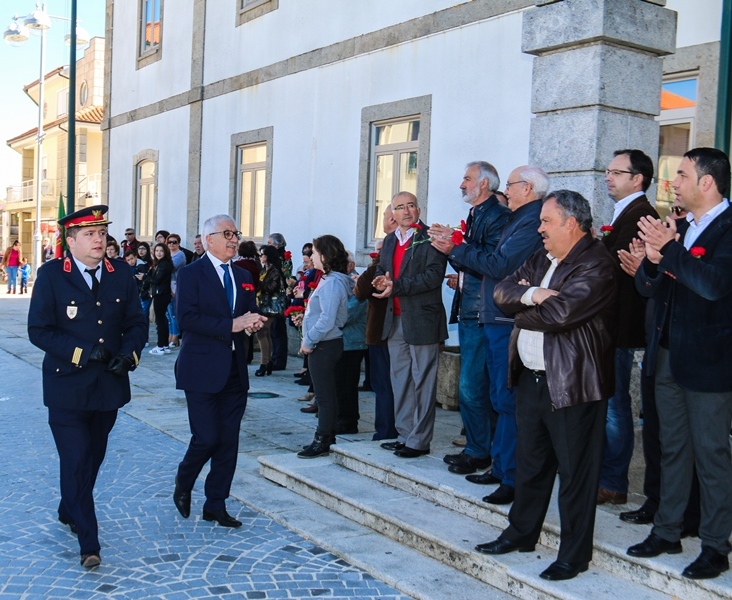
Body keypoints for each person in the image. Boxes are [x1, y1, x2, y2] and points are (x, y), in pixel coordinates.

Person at [477, 190, 617, 582]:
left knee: (576, 474)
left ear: (571, 224)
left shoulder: (596, 264)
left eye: (546, 221)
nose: (539, 229)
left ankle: (574, 555)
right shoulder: (543, 257)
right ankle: (521, 533)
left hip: (573, 386)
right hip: (531, 378)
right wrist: (533, 294)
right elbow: (501, 292)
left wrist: (524, 307)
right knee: (531, 466)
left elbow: (558, 315)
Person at [627, 147, 732, 581]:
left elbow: (712, 285)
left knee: (711, 455)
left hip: (709, 363)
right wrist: (651, 262)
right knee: (671, 448)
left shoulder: (728, 229)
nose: (674, 184)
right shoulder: (682, 227)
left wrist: (668, 250)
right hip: (666, 353)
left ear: (707, 182)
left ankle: (714, 545)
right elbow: (653, 289)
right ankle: (667, 529)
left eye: (683, 175)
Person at [27, 205, 147, 568]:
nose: (99, 240)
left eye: (102, 232)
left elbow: (136, 323)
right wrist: (82, 352)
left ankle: (68, 507)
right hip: (67, 387)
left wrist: (129, 356)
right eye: (90, 234)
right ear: (71, 240)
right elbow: (39, 330)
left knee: (92, 458)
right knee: (76, 458)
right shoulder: (51, 275)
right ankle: (89, 542)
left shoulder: (120, 273)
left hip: (108, 385)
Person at [431, 165, 547, 504]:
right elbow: (490, 261)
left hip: (505, 318)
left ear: (527, 188)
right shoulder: (518, 217)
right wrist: (457, 247)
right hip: (494, 315)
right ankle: (500, 467)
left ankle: (509, 474)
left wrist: (455, 247)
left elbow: (498, 264)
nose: (505, 192)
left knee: (503, 399)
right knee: (498, 397)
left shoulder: (528, 219)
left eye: (510, 186)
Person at [173, 214, 265, 527]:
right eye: (227, 233)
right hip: (201, 369)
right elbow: (186, 319)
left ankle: (216, 503)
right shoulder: (191, 274)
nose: (233, 239)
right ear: (208, 238)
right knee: (206, 437)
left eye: (236, 233)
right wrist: (231, 325)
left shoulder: (241, 275)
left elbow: (245, 313)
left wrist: (252, 322)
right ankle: (184, 480)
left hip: (235, 370)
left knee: (228, 441)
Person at [429, 162, 509, 479]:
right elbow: (468, 258)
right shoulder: (479, 214)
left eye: (467, 179)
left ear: (485, 184)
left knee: (473, 387)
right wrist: (450, 243)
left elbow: (491, 262)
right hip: (471, 308)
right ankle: (478, 447)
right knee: (474, 386)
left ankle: (480, 450)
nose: (462, 184)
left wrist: (455, 244)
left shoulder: (497, 216)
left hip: (482, 311)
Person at [595, 149, 660, 506]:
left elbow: (614, 271)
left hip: (618, 327)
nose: (608, 177)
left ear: (637, 179)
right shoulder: (627, 212)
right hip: (609, 325)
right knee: (608, 405)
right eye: (607, 170)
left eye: (616, 172)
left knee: (615, 408)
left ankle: (614, 481)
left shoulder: (641, 215)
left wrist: (588, 249)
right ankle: (606, 475)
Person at [373, 191, 448, 458]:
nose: (406, 211)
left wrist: (396, 286)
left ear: (419, 210)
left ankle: (419, 440)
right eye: (400, 207)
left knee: (423, 381)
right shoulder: (391, 240)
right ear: (392, 214)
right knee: (400, 380)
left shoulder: (431, 238)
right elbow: (384, 269)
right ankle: (404, 434)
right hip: (393, 319)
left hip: (423, 319)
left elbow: (433, 276)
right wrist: (381, 280)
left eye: (411, 206)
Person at [297, 235, 353, 458]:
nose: (311, 256)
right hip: (325, 342)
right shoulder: (329, 279)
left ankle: (322, 440)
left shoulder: (332, 283)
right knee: (326, 394)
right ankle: (327, 436)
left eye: (315, 252)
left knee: (324, 396)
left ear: (325, 255)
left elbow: (328, 319)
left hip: (324, 344)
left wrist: (309, 340)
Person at [354, 206, 399, 440]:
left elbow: (361, 289)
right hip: (385, 329)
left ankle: (386, 429)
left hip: (383, 330)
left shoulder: (385, 260)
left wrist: (376, 263)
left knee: (384, 384)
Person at [335, 253, 367, 434]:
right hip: (342, 340)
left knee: (347, 384)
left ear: (351, 264)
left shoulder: (357, 283)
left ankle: (348, 421)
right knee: (339, 383)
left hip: (353, 342)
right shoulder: (340, 281)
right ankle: (340, 417)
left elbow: (348, 313)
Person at [254, 245, 285, 376]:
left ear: (268, 256)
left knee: (261, 332)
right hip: (263, 305)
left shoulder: (275, 272)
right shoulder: (264, 270)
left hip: (271, 308)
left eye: (262, 255)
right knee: (265, 334)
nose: (260, 257)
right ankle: (268, 362)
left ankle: (264, 363)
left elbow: (271, 287)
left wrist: (257, 283)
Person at [267, 232, 290, 370]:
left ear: (276, 245)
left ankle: (279, 360)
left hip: (279, 298)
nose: (267, 246)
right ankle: (274, 358)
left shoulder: (283, 259)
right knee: (273, 330)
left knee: (278, 329)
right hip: (273, 298)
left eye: (269, 244)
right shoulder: (274, 258)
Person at [148, 243, 174, 355]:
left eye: (161, 251)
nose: (158, 253)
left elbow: (157, 280)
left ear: (165, 252)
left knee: (160, 321)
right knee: (163, 319)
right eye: (157, 251)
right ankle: (165, 345)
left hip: (161, 294)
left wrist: (145, 277)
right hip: (162, 293)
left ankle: (160, 346)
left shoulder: (164, 265)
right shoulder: (160, 264)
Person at [166, 234, 185, 348]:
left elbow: (170, 267)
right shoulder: (167, 255)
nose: (172, 244)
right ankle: (170, 334)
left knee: (173, 313)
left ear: (178, 243)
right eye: (169, 242)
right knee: (168, 313)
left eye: (174, 242)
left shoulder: (180, 255)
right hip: (166, 285)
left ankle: (175, 337)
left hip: (175, 286)